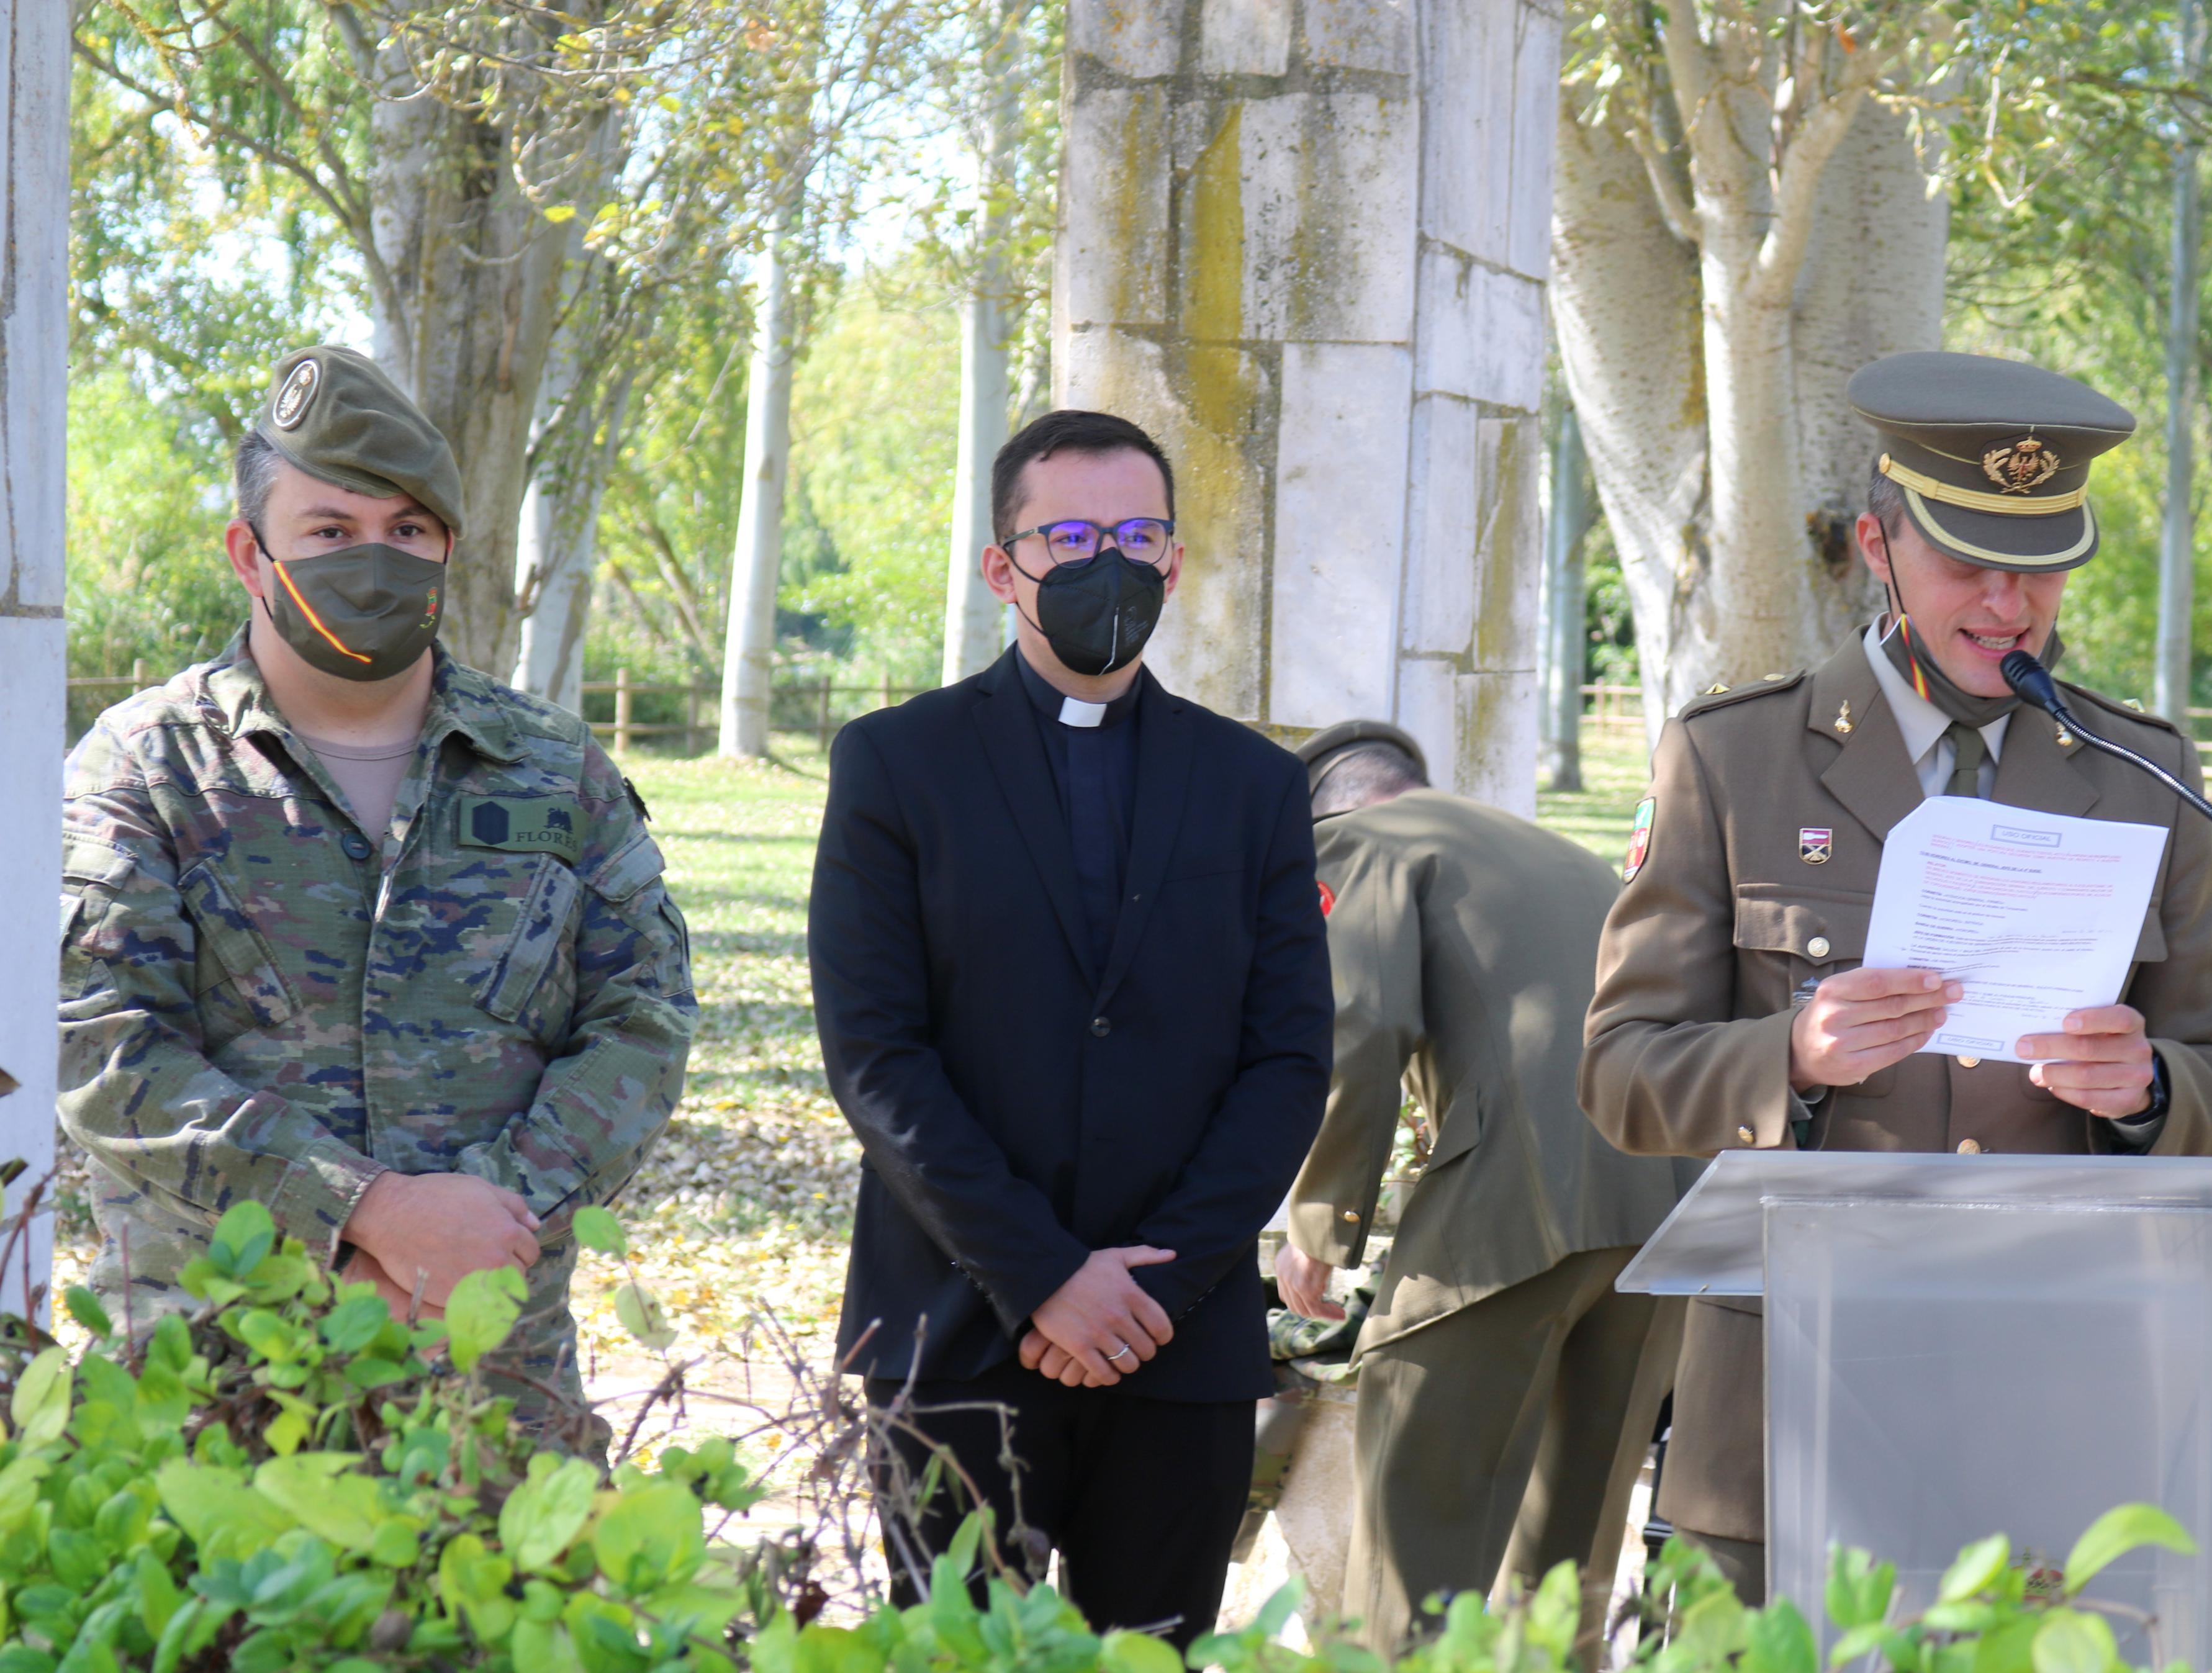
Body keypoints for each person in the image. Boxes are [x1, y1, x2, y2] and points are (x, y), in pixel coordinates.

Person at [1578, 351, 2212, 1600]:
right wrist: (1787, 1055)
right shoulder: (1734, 759)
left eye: (2042, 565)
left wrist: (2151, 1089)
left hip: (2054, 1407)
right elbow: (1621, 1075)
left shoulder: (2142, 778)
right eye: (1969, 562)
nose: (2012, 604)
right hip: (1790, 1402)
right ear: (1878, 546)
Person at [58, 345, 696, 1441]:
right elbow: (102, 1047)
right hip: (216, 1392)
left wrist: (474, 1234)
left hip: (495, 1393)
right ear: (249, 556)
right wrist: (364, 1216)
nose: (375, 560)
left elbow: (644, 1020)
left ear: (448, 550)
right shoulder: (145, 769)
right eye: (330, 531)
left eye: (408, 531)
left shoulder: (554, 769)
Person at [809, 409, 1332, 1646]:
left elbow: (1289, 1057)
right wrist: (1046, 1276)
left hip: (1180, 1335)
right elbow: (878, 1054)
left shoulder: (1254, 785)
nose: (1116, 561)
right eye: (1078, 534)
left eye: (1142, 533)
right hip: (951, 1321)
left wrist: (1152, 1285)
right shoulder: (896, 764)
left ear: (1177, 563)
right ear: (1004, 567)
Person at [1274, 722, 1689, 1656]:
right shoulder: (1551, 850)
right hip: (1669, 1203)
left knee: (1420, 1511)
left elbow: (1363, 1026)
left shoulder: (1355, 843)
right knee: (1576, 1532)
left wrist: (1319, 1223)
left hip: (1522, 1193)